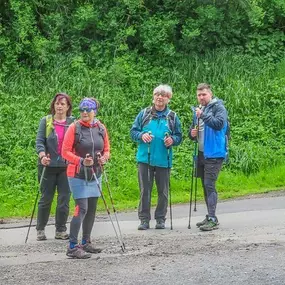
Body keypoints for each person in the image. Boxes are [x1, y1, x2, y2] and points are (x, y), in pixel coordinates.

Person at [62, 97, 110, 259]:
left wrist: (104, 158)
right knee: (81, 207)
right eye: (81, 109)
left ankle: (86, 242)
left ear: (94, 112)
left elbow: (107, 149)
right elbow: (65, 151)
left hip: (95, 173)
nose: (83, 113)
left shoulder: (101, 128)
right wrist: (82, 161)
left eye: (87, 110)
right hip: (76, 173)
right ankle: (72, 246)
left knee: (92, 208)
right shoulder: (74, 128)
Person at [130, 84, 182, 230]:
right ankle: (144, 220)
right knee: (145, 190)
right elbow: (133, 132)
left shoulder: (172, 116)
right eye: (157, 94)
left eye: (163, 95)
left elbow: (179, 136)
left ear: (168, 99)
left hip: (163, 159)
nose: (160, 97)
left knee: (163, 192)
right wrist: (142, 135)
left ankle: (160, 219)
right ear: (153, 97)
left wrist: (172, 140)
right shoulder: (144, 113)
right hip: (144, 159)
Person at [189, 83, 228, 231]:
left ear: (210, 94)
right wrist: (192, 134)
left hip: (214, 153)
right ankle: (210, 216)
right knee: (205, 186)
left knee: (209, 185)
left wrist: (203, 115)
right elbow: (194, 131)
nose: (201, 97)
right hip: (201, 153)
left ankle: (212, 218)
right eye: (199, 95)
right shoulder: (199, 110)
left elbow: (219, 124)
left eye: (204, 94)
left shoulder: (219, 107)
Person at [35, 93, 74, 241]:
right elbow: (39, 141)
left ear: (68, 107)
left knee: (64, 198)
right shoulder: (46, 121)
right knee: (46, 198)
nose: (59, 106)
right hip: (47, 165)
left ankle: (61, 230)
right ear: (53, 105)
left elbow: (76, 143)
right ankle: (40, 229)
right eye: (57, 103)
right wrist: (42, 155)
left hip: (66, 166)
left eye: (63, 104)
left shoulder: (72, 123)